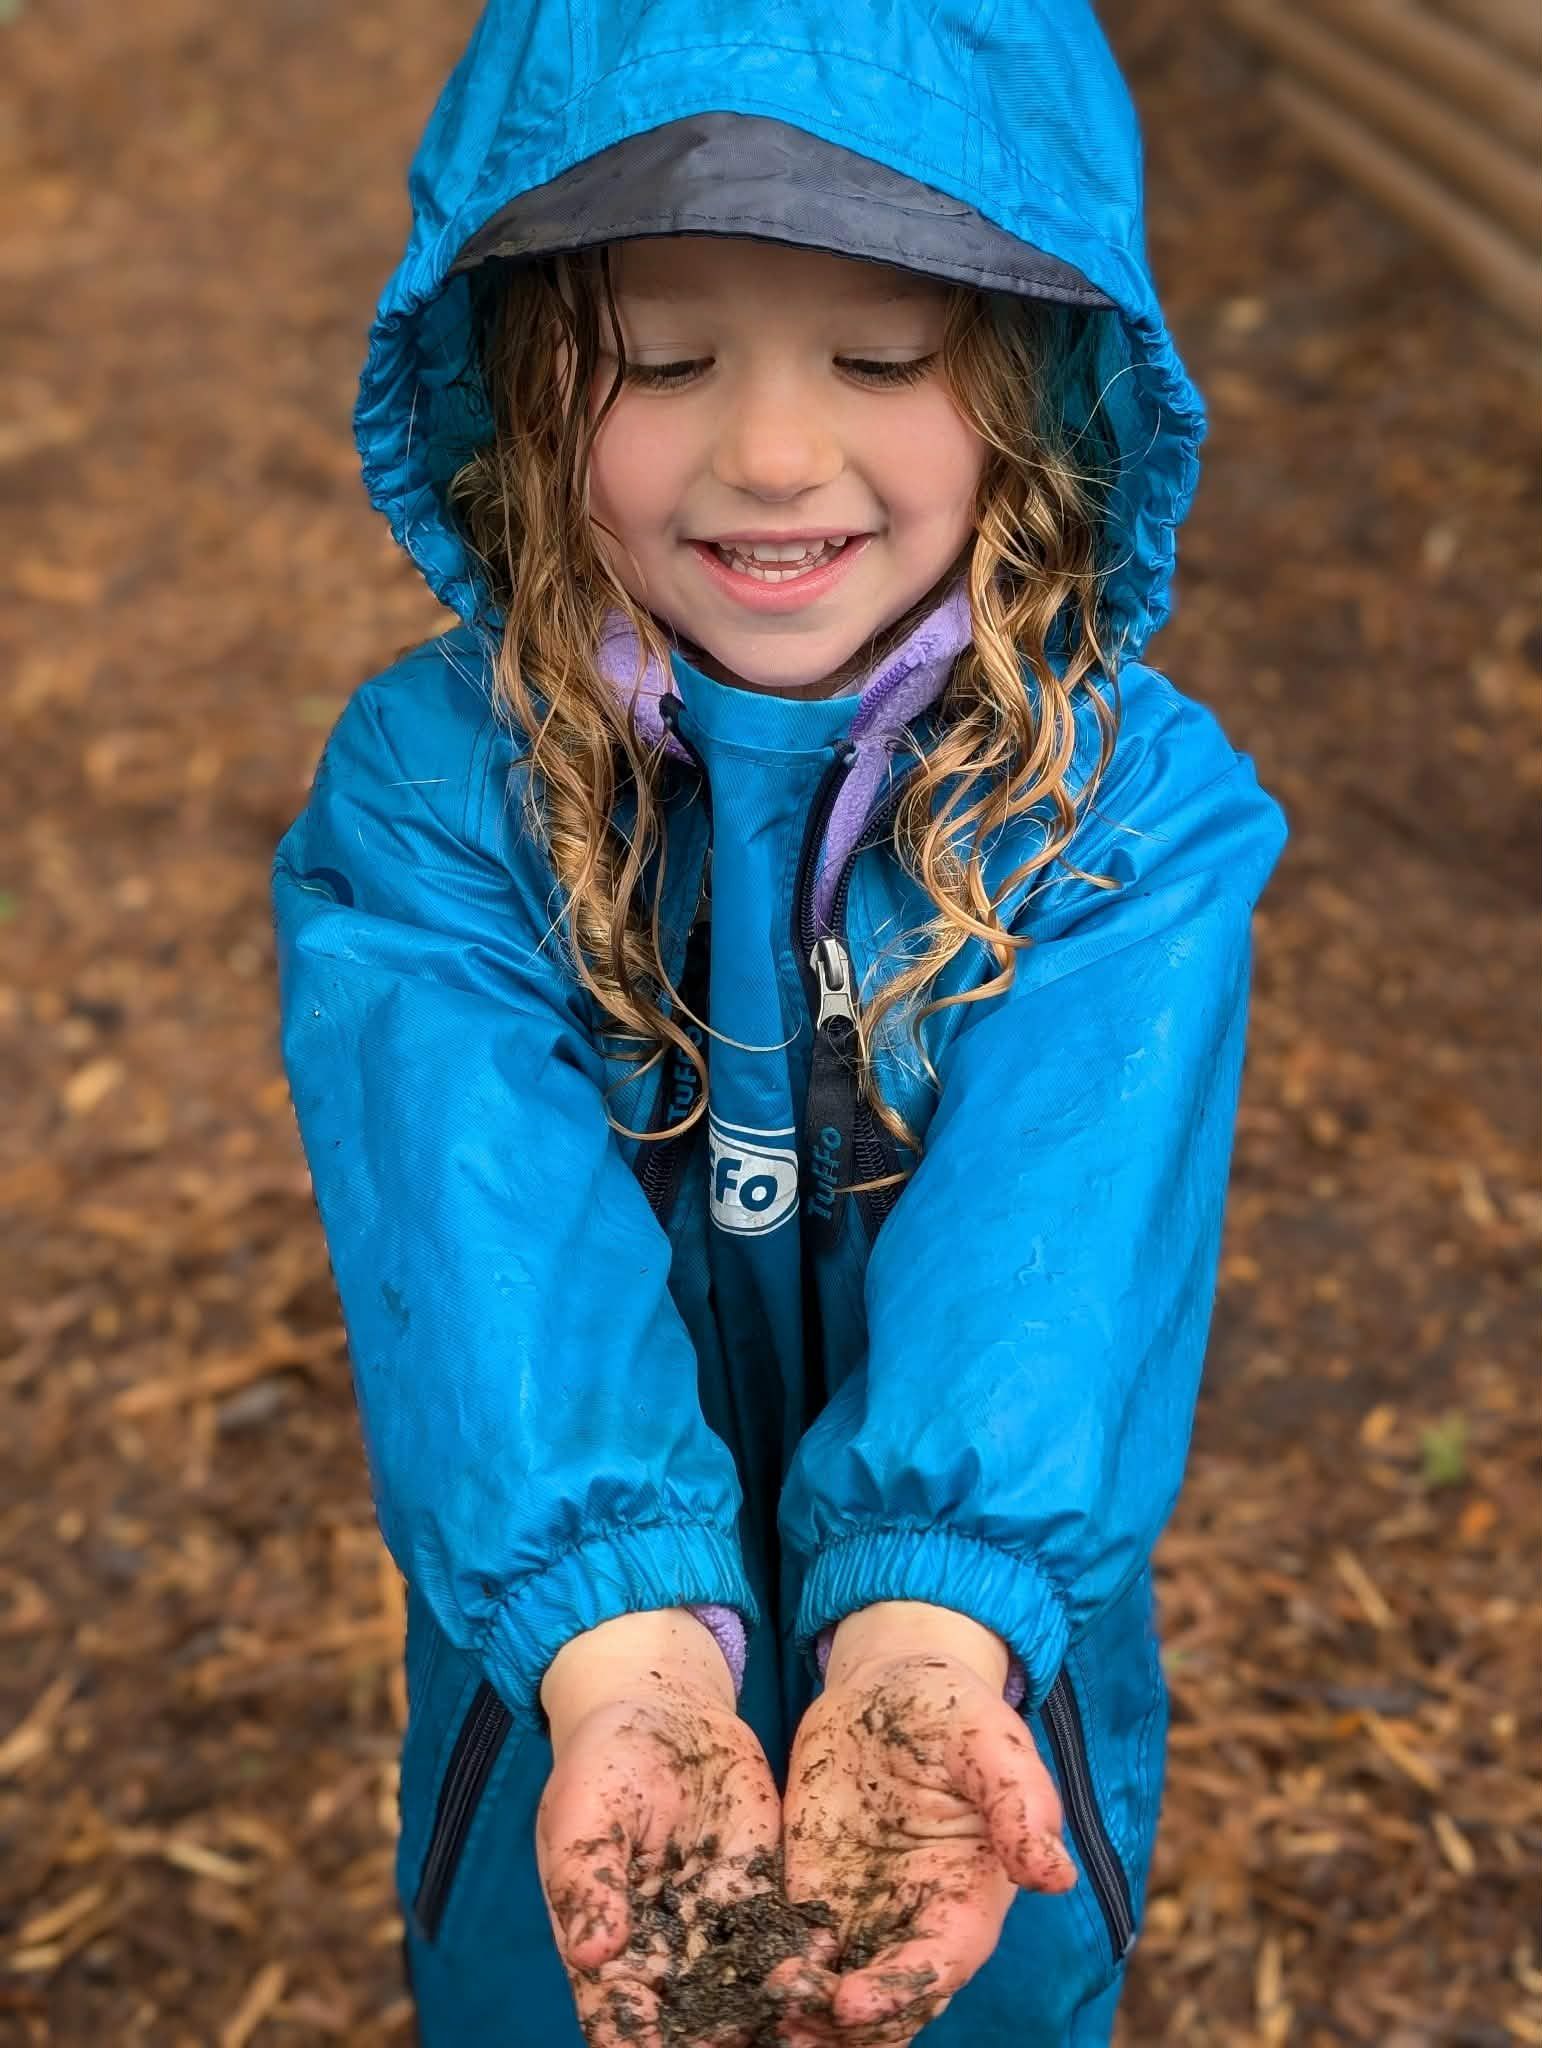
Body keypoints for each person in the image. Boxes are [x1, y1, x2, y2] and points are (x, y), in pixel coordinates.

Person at [270, 0, 1287, 2041]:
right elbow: (485, 1250)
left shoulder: (1126, 823)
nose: (770, 449)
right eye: (659, 358)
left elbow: (1059, 1267)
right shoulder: (425, 798)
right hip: (569, 1724)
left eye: (883, 353)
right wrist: (629, 1668)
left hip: (976, 1695)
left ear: (1035, 381)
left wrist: (921, 1648)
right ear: (521, 376)